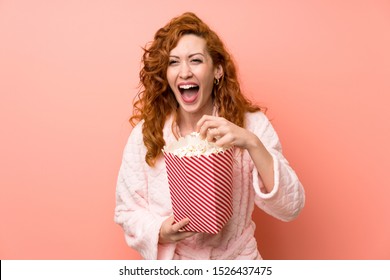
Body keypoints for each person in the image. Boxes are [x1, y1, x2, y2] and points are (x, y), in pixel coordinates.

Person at [114, 12, 305, 260]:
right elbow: (126, 211)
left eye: (195, 60)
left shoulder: (250, 125)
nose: (184, 72)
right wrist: (160, 231)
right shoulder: (146, 133)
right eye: (173, 62)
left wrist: (251, 143)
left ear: (217, 70)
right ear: (166, 74)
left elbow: (292, 206)